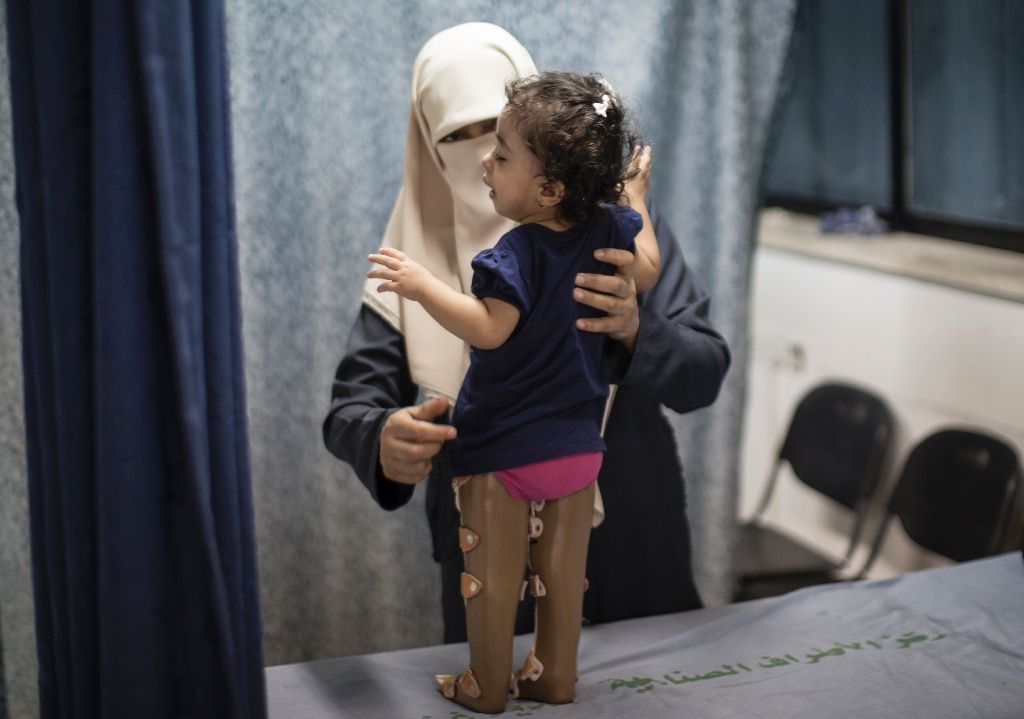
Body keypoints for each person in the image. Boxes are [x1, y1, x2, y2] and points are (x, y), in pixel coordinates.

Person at [322, 16, 729, 705]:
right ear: (426, 144)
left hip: (635, 534)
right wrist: (385, 436)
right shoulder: (411, 255)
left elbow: (705, 369)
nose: (482, 155)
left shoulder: (614, 231)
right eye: (456, 134)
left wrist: (632, 330)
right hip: (486, 545)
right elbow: (349, 409)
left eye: (496, 130)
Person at [367, 71, 659, 712]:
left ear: (550, 187)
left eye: (499, 153)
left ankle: (486, 684)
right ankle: (555, 676)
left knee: (493, 582)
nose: (484, 165)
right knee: (562, 582)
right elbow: (649, 263)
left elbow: (489, 330)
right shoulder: (610, 227)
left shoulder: (512, 253)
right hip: (579, 452)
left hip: (503, 450)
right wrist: (635, 192)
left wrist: (421, 286)